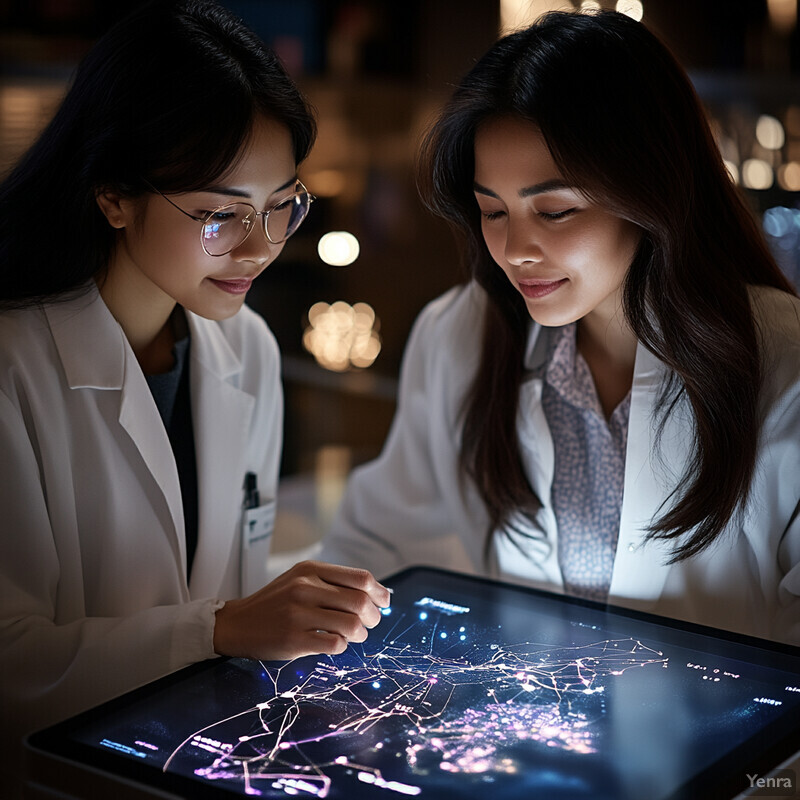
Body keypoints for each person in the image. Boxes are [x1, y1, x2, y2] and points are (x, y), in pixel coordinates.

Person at [0, 1, 389, 794]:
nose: (261, 247)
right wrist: (218, 630)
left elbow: (235, 595)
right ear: (113, 195)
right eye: (219, 214)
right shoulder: (13, 364)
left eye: (281, 205)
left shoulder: (242, 345)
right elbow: (10, 664)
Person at [322, 10, 800, 645]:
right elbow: (380, 544)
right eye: (493, 211)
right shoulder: (462, 334)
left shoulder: (783, 359)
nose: (516, 249)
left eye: (554, 210)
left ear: (651, 192)